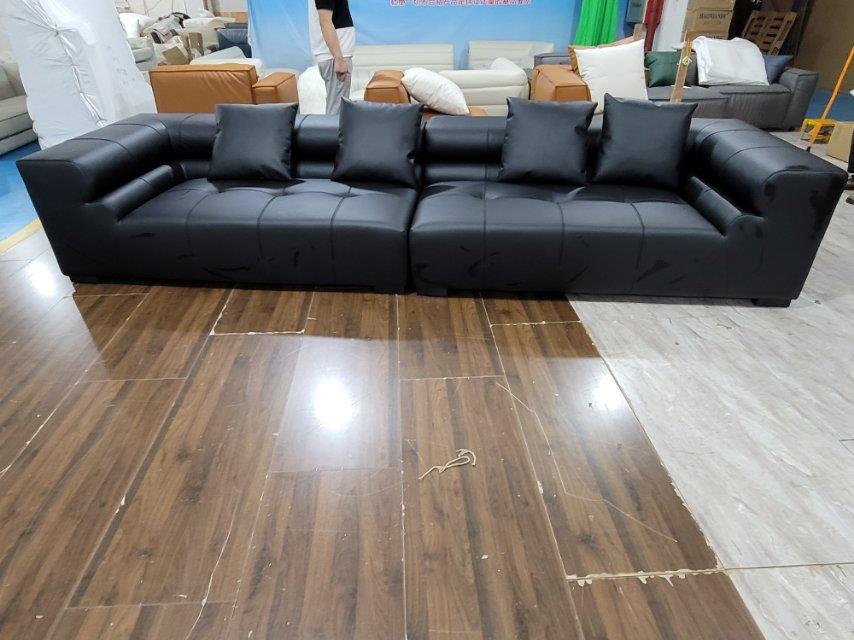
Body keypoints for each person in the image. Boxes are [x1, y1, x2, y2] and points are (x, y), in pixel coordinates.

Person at [308, 0, 355, 115]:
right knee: (336, 114)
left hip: (336, 55)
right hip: (334, 57)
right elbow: (325, 21)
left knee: (339, 111)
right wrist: (338, 58)